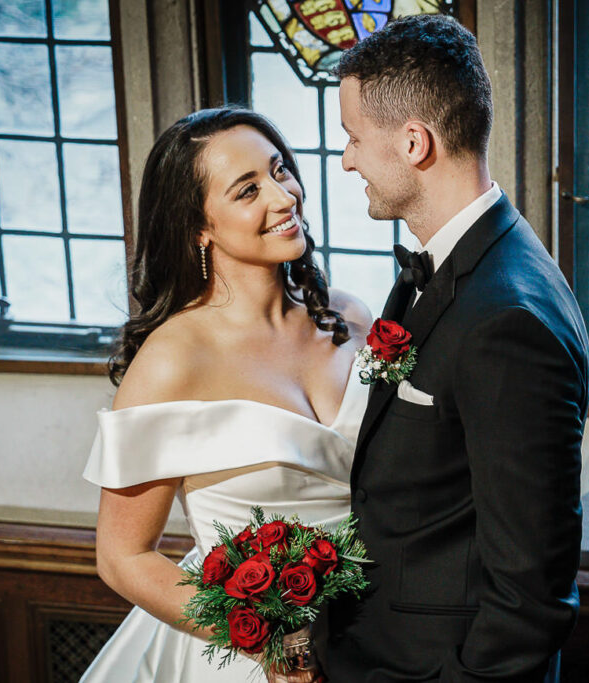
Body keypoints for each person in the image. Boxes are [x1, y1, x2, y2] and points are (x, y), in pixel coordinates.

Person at [322, 15, 589, 683]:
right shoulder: (447, 267)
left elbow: (529, 595)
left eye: (355, 138)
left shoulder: (508, 320)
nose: (348, 158)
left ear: (415, 142)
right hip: (377, 646)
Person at [79, 107, 372, 683]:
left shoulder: (351, 316)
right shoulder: (172, 361)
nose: (284, 197)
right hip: (255, 662)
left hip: (381, 634)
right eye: (248, 190)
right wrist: (267, 639)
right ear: (198, 227)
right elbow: (123, 557)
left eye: (280, 170)